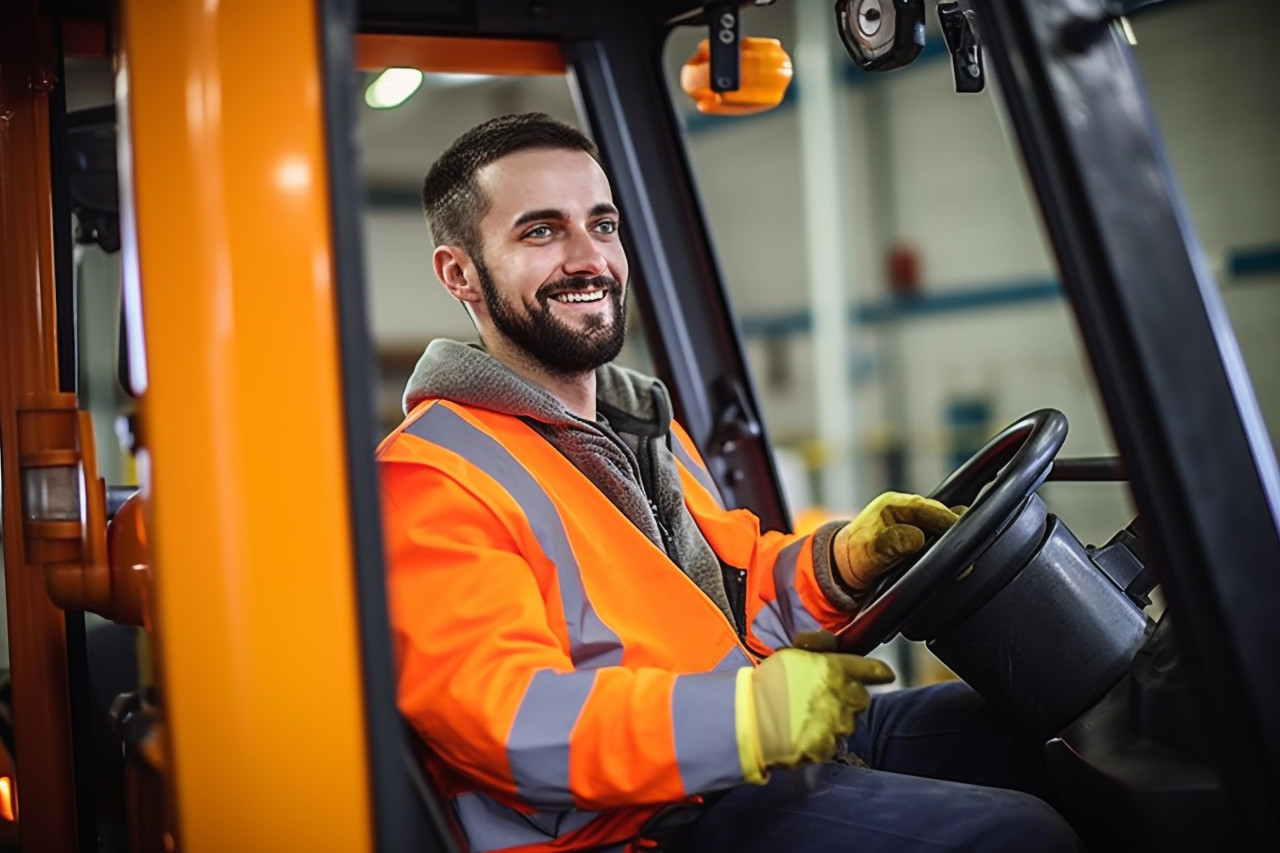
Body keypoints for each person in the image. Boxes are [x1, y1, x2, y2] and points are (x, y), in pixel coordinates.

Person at [377, 113, 1081, 853]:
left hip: (729, 762)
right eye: (542, 232)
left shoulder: (638, 425)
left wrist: (841, 562)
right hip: (632, 825)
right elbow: (511, 721)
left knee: (1041, 718)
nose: (591, 259)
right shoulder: (430, 477)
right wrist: (749, 718)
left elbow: (732, 595)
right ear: (460, 272)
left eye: (603, 224)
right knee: (1014, 836)